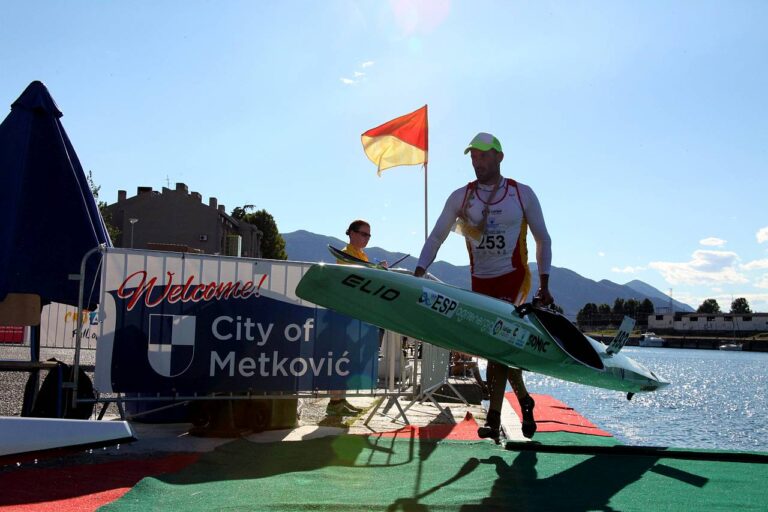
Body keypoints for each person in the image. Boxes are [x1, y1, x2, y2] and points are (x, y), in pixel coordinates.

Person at [414, 132, 554, 441]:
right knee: (500, 348)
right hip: (481, 283)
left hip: (516, 278)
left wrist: (544, 283)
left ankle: (492, 417)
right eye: (473, 157)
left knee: (495, 347)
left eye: (484, 155)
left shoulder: (522, 194)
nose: (478, 162)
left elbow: (542, 238)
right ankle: (525, 400)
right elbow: (437, 236)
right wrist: (419, 272)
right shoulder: (461, 197)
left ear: (499, 157)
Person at [326, 219, 385, 416]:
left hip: (354, 312)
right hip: (342, 312)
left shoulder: (362, 254)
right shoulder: (346, 253)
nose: (367, 238)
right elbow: (356, 274)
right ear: (351, 233)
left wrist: (379, 270)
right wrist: (375, 270)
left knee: (348, 358)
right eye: (363, 234)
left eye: (369, 235)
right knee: (340, 357)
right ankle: (335, 402)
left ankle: (341, 399)